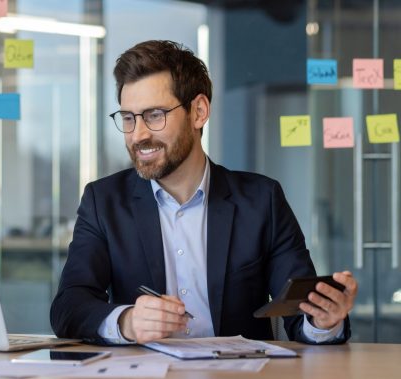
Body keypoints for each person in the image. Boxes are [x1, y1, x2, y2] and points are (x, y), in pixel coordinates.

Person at [50, 40, 357, 345]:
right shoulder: (103, 202)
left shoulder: (262, 201)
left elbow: (299, 314)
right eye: (129, 118)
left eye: (154, 115)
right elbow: (69, 307)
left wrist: (323, 321)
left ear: (198, 112)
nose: (138, 135)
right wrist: (126, 322)